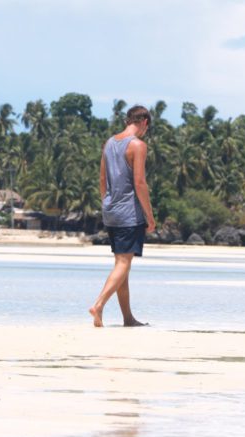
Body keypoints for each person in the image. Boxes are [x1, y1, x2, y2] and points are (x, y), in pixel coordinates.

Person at [88, 105, 156, 327]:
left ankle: (128, 318)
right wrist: (150, 216)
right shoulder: (137, 145)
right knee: (124, 263)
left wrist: (107, 202)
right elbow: (139, 183)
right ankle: (98, 305)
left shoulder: (110, 142)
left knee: (121, 265)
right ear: (144, 122)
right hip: (129, 212)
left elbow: (101, 179)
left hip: (111, 210)